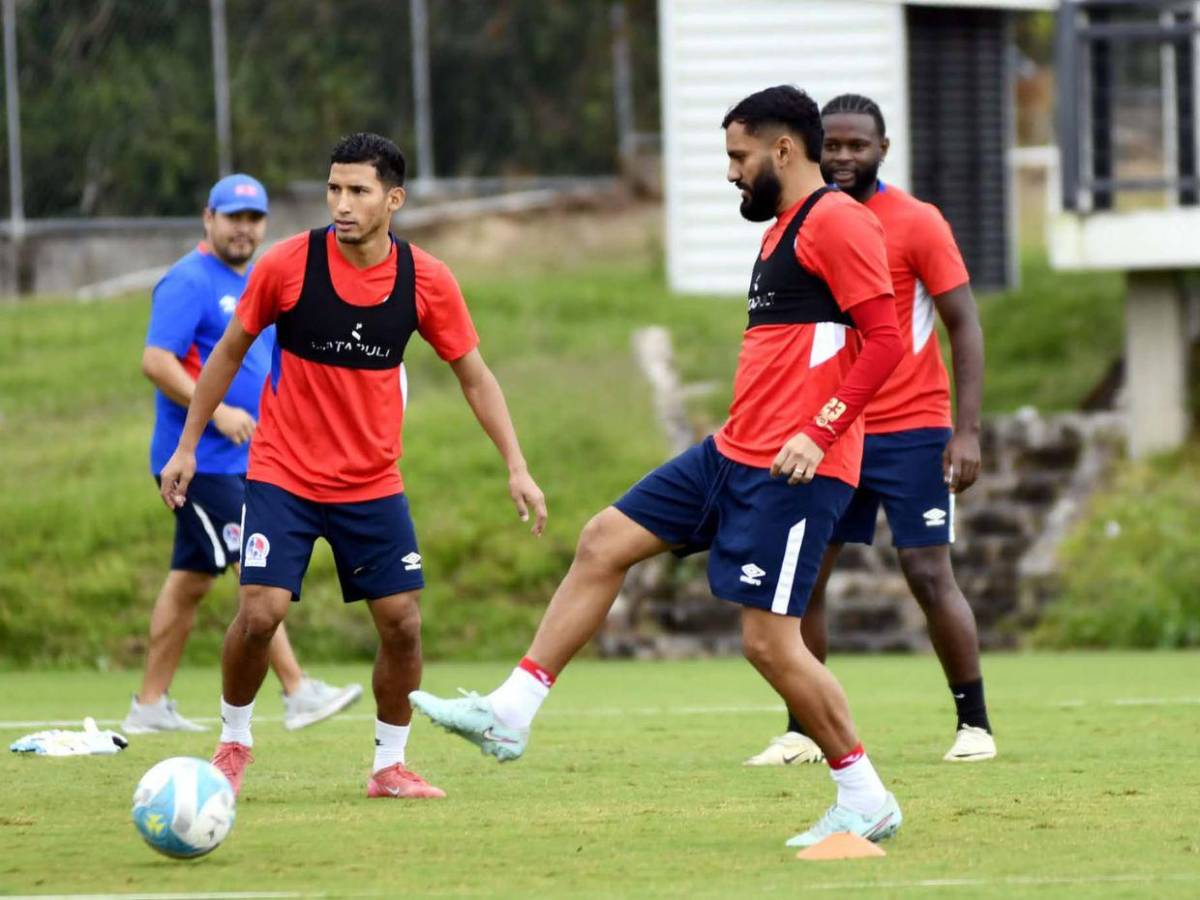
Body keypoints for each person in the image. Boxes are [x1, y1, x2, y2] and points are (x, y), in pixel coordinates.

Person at [411, 85, 907, 848]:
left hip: (797, 469)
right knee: (604, 540)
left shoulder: (837, 222)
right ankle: (508, 714)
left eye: (739, 157)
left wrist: (820, 429)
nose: (732, 173)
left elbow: (884, 341)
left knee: (771, 644)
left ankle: (865, 796)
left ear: (783, 151)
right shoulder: (782, 230)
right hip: (733, 454)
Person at [157, 133, 546, 801]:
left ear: (393, 199)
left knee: (403, 623)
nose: (341, 203)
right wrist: (188, 446)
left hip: (370, 482)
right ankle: (234, 741)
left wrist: (517, 464)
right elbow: (225, 354)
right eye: (334, 189)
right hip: (283, 472)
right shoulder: (286, 266)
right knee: (261, 612)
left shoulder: (426, 280)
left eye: (359, 191)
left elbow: (476, 378)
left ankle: (388, 766)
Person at [745, 94, 995, 768]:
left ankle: (974, 724)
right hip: (835, 429)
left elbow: (963, 323)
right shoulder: (806, 221)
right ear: (814, 148)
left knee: (926, 571)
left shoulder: (916, 222)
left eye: (860, 146)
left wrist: (964, 431)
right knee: (809, 577)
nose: (846, 157)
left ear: (884, 149)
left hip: (912, 429)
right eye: (836, 146)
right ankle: (802, 729)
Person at [125, 173, 362, 736]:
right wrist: (221, 414)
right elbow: (157, 362)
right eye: (233, 216)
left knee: (189, 582)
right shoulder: (189, 281)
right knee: (253, 567)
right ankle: (298, 690)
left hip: (250, 461)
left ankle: (149, 706)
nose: (244, 228)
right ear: (208, 218)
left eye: (254, 219)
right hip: (201, 463)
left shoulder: (262, 276)